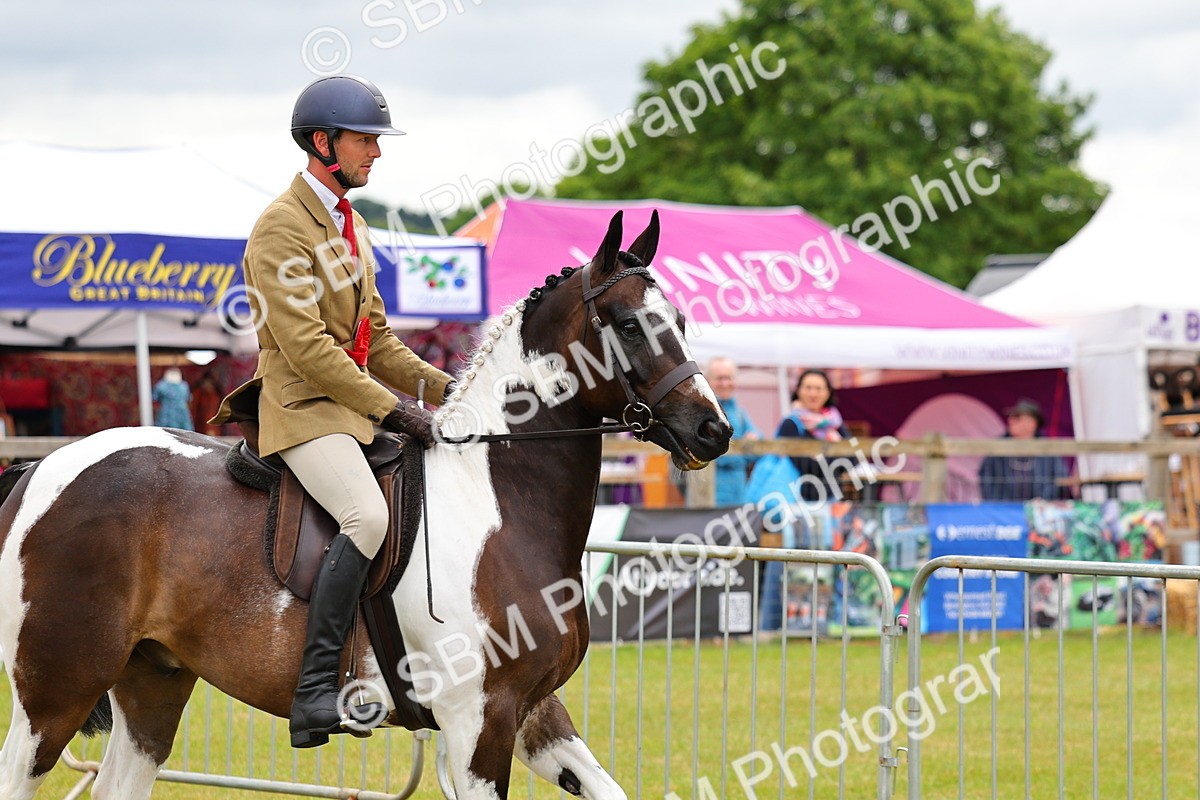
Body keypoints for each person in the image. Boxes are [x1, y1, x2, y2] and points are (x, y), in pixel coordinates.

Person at [210, 74, 454, 749]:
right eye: (365, 140)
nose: (377, 153)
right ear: (324, 143)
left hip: (352, 411)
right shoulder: (280, 228)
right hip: (302, 410)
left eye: (376, 141)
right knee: (367, 515)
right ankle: (316, 688)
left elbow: (377, 340)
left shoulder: (354, 226)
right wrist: (395, 412)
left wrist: (444, 389)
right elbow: (310, 350)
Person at [760, 369, 850, 630]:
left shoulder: (835, 424)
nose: (813, 393)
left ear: (828, 393)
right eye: (808, 387)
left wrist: (824, 464)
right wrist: (831, 463)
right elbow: (802, 464)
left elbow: (853, 457)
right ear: (798, 390)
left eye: (818, 388)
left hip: (828, 504)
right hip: (795, 506)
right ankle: (773, 625)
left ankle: (826, 625)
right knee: (789, 565)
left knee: (827, 566)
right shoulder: (792, 424)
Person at [978, 398, 1068, 501]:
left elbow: (1060, 479)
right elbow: (986, 478)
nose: (1010, 420)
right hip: (1004, 511)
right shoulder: (997, 447)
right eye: (1011, 417)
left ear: (1032, 423)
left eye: (1017, 417)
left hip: (1040, 510)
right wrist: (999, 505)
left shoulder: (1048, 449)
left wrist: (1044, 500)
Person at [706, 357, 760, 505]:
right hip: (708, 493)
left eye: (729, 378)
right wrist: (743, 451)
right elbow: (704, 452)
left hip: (739, 493)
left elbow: (759, 443)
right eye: (719, 378)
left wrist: (747, 449)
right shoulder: (702, 412)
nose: (725, 383)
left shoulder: (739, 412)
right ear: (708, 381)